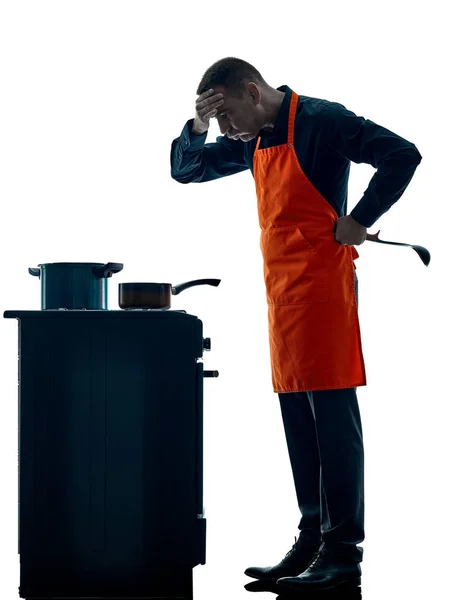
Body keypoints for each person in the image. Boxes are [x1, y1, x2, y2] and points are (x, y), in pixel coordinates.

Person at [170, 57, 422, 592]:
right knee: (299, 423)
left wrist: (362, 217)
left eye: (228, 116)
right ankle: (311, 543)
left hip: (324, 290)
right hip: (283, 296)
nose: (227, 132)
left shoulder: (323, 120)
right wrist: (194, 128)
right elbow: (187, 170)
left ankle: (342, 556)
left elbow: (403, 154)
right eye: (218, 126)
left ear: (253, 91)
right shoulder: (257, 137)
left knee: (332, 422)